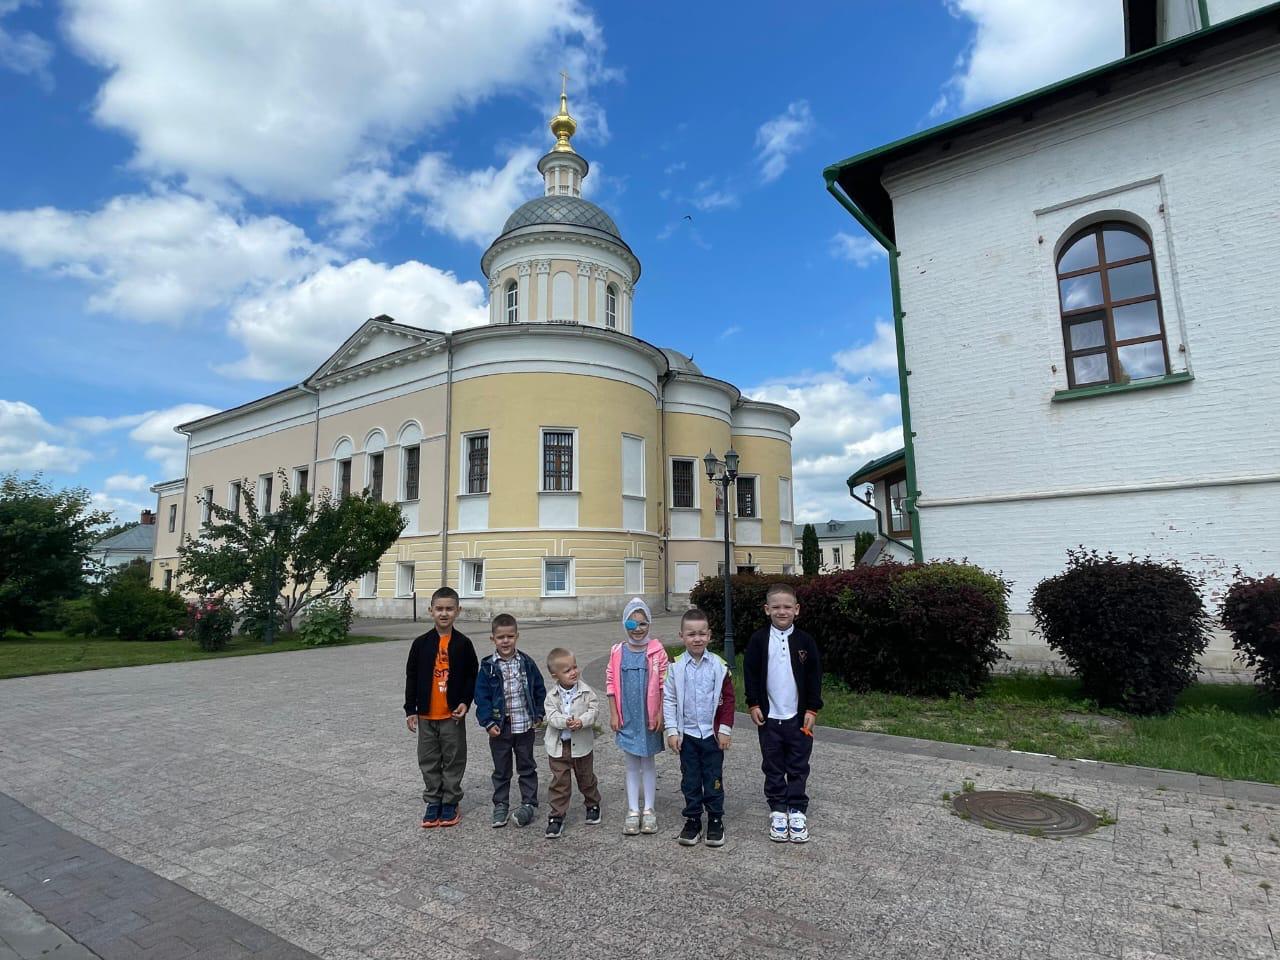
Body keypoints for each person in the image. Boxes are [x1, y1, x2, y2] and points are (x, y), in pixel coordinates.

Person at [743, 582, 822, 843]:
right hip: (769, 718)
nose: (782, 611)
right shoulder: (758, 640)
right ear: (767, 609)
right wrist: (753, 703)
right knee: (773, 764)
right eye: (776, 607)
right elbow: (751, 674)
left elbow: (814, 677)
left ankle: (796, 808)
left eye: (787, 607)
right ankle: (778, 807)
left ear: (797, 609)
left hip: (799, 718)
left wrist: (812, 708)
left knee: (798, 764)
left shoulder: (805, 641)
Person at [403, 587, 478, 829]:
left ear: (458, 611)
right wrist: (410, 709)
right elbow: (411, 676)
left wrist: (466, 702)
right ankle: (433, 800)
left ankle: (450, 801)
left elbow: (471, 676)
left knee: (454, 758)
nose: (444, 613)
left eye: (449, 609)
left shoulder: (463, 644)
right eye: (439, 609)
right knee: (429, 759)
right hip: (426, 714)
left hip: (451, 715)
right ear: (431, 611)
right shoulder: (421, 644)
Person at [663, 607, 735, 848]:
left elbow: (728, 700)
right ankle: (693, 818)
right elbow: (670, 700)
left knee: (714, 778)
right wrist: (672, 731)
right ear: (682, 636)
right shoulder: (675, 667)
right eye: (691, 634)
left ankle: (715, 818)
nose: (697, 638)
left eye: (702, 634)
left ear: (710, 635)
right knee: (691, 779)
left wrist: (724, 729)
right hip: (689, 736)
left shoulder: (719, 666)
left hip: (712, 736)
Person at [474, 613, 546, 829]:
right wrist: (487, 722)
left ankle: (529, 803)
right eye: (500, 637)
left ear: (517, 636)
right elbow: (481, 697)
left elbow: (539, 688)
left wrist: (539, 713)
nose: (505, 641)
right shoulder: (487, 667)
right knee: (501, 769)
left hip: (524, 725)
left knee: (527, 766)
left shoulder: (526, 662)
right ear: (492, 639)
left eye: (510, 636)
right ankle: (501, 804)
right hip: (500, 727)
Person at [605, 597, 669, 836]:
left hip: (649, 716)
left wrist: (661, 712)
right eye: (632, 625)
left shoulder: (657, 651)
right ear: (624, 625)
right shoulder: (617, 652)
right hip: (628, 715)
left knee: (648, 763)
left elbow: (664, 685)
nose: (638, 629)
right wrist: (613, 713)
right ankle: (633, 810)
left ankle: (649, 810)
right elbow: (611, 683)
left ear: (649, 625)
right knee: (631, 764)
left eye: (643, 624)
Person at [542, 647, 602, 839]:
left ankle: (592, 803)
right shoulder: (551, 696)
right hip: (559, 747)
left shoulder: (586, 691)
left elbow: (594, 710)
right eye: (567, 670)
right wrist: (565, 722)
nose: (573, 672)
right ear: (555, 675)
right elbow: (551, 716)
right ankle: (557, 815)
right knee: (560, 782)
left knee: (586, 777)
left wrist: (582, 721)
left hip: (582, 745)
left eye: (574, 667)